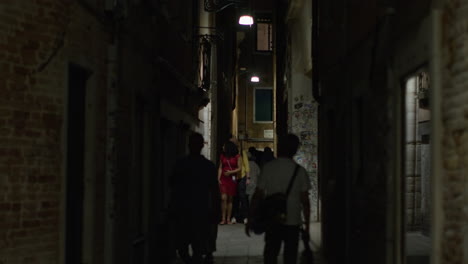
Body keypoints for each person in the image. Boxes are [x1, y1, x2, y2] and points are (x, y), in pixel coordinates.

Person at [246, 134, 311, 264]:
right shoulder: (300, 171)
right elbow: (305, 202)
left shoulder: (269, 168)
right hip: (293, 221)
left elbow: (257, 195)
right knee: (290, 257)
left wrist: (251, 217)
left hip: (272, 220)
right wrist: (307, 227)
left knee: (270, 255)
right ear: (295, 149)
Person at [169, 133, 220, 264]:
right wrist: (215, 209)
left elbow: (172, 186)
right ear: (202, 146)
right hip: (200, 210)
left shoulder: (180, 164)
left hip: (184, 210)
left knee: (183, 246)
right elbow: (214, 190)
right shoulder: (207, 166)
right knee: (197, 245)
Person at [218, 140, 242, 225]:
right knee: (223, 198)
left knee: (230, 199)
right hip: (223, 178)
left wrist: (230, 173)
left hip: (232, 178)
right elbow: (220, 167)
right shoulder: (222, 156)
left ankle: (228, 218)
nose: (222, 148)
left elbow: (239, 168)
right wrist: (218, 178)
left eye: (224, 146)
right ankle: (223, 218)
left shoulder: (237, 156)